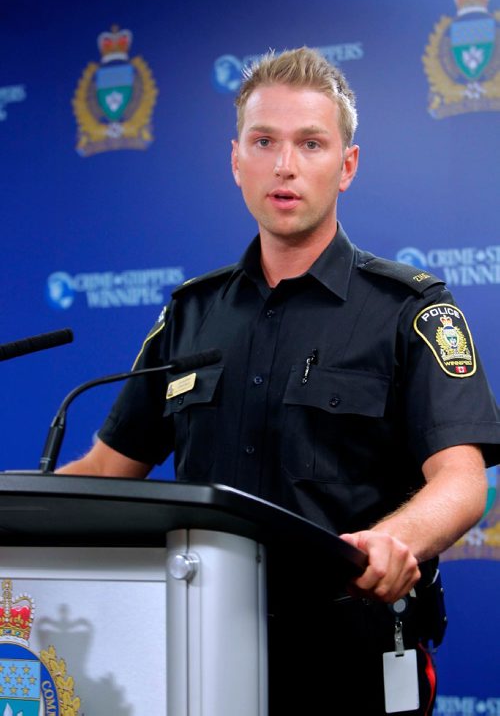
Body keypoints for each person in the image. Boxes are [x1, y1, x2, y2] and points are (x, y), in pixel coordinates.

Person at [58, 47, 500, 714]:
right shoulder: (190, 314)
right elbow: (105, 469)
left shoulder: (410, 310)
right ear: (236, 159)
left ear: (346, 165)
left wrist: (395, 539)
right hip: (192, 654)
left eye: (311, 143)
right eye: (264, 141)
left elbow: (462, 477)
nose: (285, 165)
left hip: (347, 659)